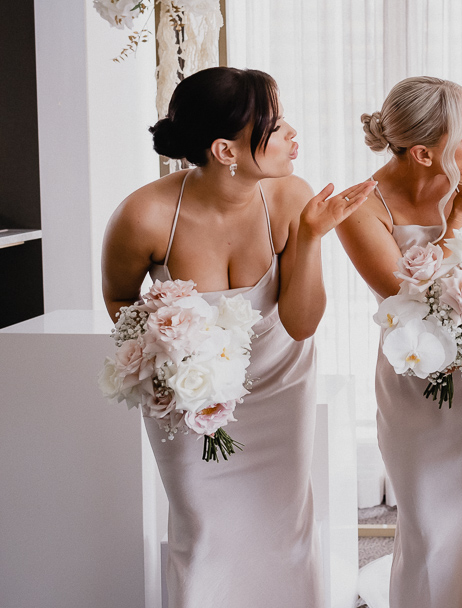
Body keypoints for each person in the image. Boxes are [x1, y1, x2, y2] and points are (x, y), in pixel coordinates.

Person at [101, 67, 374, 608]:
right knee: (204, 531)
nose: (292, 132)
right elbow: (119, 300)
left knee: (283, 529)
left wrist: (312, 236)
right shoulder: (144, 215)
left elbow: (301, 323)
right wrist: (171, 360)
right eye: (275, 124)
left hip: (279, 383)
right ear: (225, 150)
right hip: (190, 397)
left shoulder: (289, 197)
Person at [336, 76, 462, 608]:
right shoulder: (362, 205)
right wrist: (455, 222)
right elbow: (403, 295)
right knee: (426, 517)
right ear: (422, 153)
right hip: (412, 376)